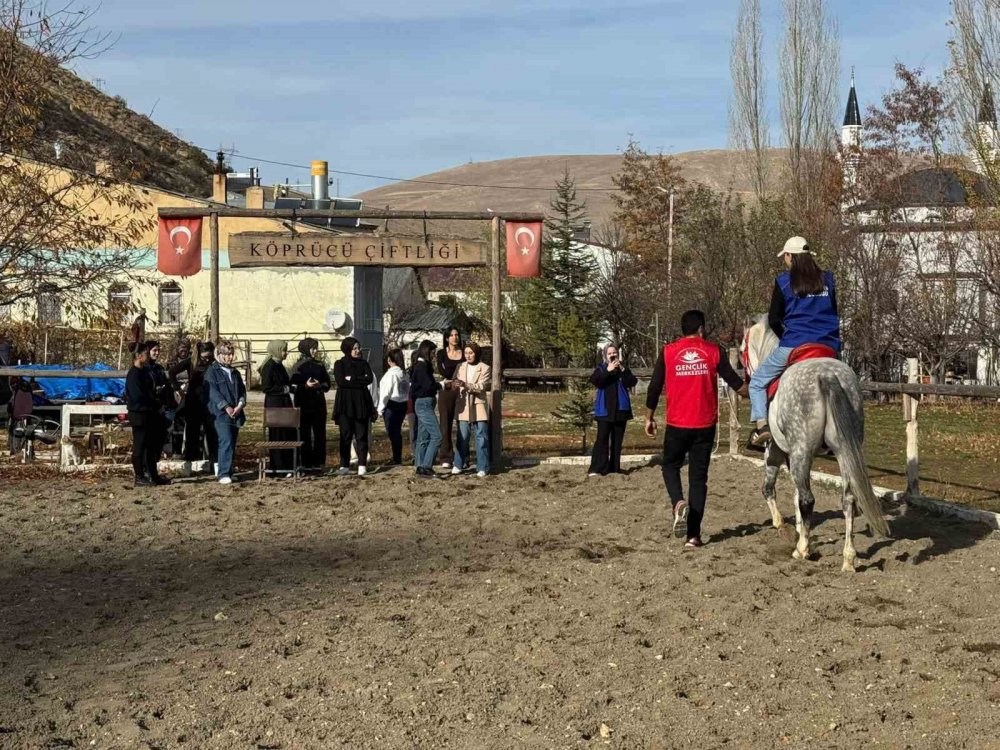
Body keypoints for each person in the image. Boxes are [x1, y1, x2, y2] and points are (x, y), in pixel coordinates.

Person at [645, 310, 748, 549]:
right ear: (701, 329)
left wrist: (648, 417)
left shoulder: (668, 352)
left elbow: (654, 387)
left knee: (670, 466)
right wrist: (761, 389)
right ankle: (693, 535)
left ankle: (678, 502)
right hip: (704, 425)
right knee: (698, 479)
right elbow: (737, 385)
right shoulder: (714, 351)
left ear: (683, 329)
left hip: (677, 424)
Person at [749, 236, 842, 446]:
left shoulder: (784, 282)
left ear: (790, 256)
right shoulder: (828, 279)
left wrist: (787, 339)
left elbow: (773, 319)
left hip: (796, 343)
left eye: (786, 256)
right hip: (828, 345)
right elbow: (834, 312)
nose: (785, 260)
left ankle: (762, 427)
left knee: (757, 382)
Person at [588, 342, 638, 476]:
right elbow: (596, 381)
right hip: (604, 410)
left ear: (618, 354)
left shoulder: (623, 369)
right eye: (609, 353)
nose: (612, 355)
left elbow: (632, 382)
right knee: (602, 439)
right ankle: (597, 469)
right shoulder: (601, 368)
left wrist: (622, 369)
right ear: (605, 355)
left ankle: (614, 468)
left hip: (620, 410)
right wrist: (608, 370)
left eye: (614, 353)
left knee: (617, 441)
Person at [126, 343, 169, 487]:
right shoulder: (133, 374)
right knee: (139, 447)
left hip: (149, 413)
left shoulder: (145, 372)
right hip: (139, 414)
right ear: (139, 356)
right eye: (145, 353)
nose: (147, 356)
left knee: (151, 446)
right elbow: (139, 396)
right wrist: (154, 403)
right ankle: (139, 476)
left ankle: (153, 474)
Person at [331, 337, 375, 476]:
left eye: (358, 348)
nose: (357, 351)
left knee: (361, 434)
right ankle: (344, 465)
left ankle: (362, 464)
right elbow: (341, 381)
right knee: (345, 435)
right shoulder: (339, 364)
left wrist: (352, 379)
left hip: (361, 403)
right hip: (345, 404)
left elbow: (368, 379)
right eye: (355, 348)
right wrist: (357, 381)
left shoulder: (363, 363)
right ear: (348, 349)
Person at [205, 341, 247, 485]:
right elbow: (212, 392)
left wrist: (240, 405)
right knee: (226, 440)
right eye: (227, 354)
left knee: (232, 441)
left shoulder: (234, 373)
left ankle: (229, 471)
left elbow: (242, 391)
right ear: (220, 354)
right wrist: (226, 407)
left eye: (231, 354)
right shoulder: (212, 371)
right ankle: (223, 472)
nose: (230, 357)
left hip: (235, 413)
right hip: (220, 414)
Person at [451, 341, 491, 477]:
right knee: (463, 436)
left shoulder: (485, 368)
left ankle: (482, 467)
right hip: (464, 405)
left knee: (481, 437)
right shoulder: (460, 366)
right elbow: (454, 381)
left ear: (476, 353)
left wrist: (466, 385)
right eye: (466, 353)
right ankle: (458, 464)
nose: (468, 356)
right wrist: (455, 385)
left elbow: (482, 386)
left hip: (478, 404)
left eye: (471, 353)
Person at [290, 338, 330, 471]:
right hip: (303, 405)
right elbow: (292, 386)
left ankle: (319, 463)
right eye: (313, 348)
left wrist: (320, 385)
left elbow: (327, 384)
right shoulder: (297, 367)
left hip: (318, 405)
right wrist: (305, 386)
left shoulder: (320, 365)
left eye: (316, 348)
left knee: (320, 435)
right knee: (305, 435)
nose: (315, 351)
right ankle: (306, 463)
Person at [258, 339, 297, 476]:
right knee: (278, 436)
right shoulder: (269, 366)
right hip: (275, 406)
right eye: (284, 350)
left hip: (283, 404)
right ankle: (279, 468)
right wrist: (285, 389)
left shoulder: (279, 365)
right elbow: (266, 387)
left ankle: (287, 466)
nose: (286, 353)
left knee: (287, 435)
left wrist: (291, 388)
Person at [411, 339, 443, 479]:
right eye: (432, 352)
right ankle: (426, 466)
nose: (434, 355)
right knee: (437, 436)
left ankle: (420, 467)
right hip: (424, 404)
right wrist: (441, 384)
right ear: (426, 351)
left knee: (423, 437)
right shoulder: (421, 367)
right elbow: (428, 386)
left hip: (424, 404)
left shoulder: (421, 366)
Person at [436, 327, 465, 468]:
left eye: (456, 334)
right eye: (452, 335)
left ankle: (462, 457)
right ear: (447, 338)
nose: (455, 337)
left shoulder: (464, 353)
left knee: (463, 424)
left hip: (461, 390)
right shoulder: (441, 353)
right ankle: (446, 457)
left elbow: (466, 370)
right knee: (445, 423)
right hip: (446, 391)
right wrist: (454, 377)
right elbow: (443, 371)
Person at [377, 348, 410, 466]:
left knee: (393, 432)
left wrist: (380, 409)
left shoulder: (390, 375)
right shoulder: (404, 374)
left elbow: (385, 393)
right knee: (397, 432)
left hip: (392, 405)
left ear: (390, 360)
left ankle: (396, 458)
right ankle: (397, 457)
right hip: (402, 404)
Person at [144, 340, 175, 464]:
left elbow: (166, 388)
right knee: (150, 441)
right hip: (152, 409)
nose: (157, 353)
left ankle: (154, 467)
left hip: (163, 408)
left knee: (160, 440)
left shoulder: (159, 369)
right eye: (154, 350)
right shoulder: (145, 370)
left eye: (158, 350)